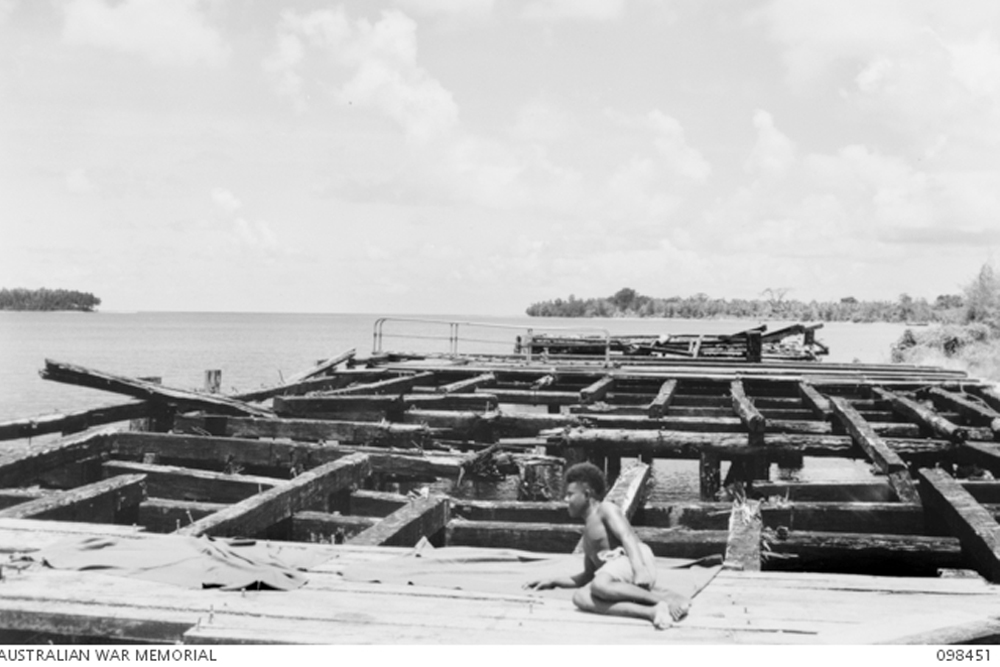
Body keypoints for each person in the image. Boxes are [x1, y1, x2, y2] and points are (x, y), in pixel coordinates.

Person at [523, 462, 689, 630]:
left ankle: (665, 600)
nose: (566, 500)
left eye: (570, 494)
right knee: (580, 597)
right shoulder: (587, 533)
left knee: (600, 585)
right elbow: (588, 576)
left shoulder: (606, 509)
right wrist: (553, 581)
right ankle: (651, 611)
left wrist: (640, 569)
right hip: (618, 575)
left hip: (635, 559)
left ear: (587, 494)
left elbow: (627, 536)